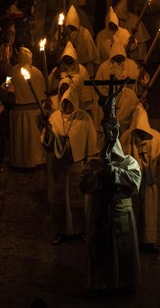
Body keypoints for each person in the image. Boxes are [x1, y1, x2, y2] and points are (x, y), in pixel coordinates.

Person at [80, 139, 142, 297]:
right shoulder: (93, 165)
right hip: (100, 213)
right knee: (101, 251)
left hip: (120, 213)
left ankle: (123, 283)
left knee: (121, 250)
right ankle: (100, 285)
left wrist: (114, 171)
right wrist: (100, 175)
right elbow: (83, 185)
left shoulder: (130, 163)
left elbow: (135, 184)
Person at [42, 88, 98, 244]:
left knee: (78, 202)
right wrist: (47, 134)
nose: (67, 107)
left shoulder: (84, 118)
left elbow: (91, 143)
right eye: (65, 103)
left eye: (70, 104)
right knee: (59, 201)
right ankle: (59, 231)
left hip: (77, 166)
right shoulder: (54, 118)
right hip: (59, 167)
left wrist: (90, 163)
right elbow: (48, 143)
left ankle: (80, 230)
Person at [119, 109, 160, 253]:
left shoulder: (157, 137)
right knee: (134, 211)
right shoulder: (126, 137)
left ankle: (149, 240)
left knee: (149, 212)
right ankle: (133, 239)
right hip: (133, 184)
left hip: (149, 183)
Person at [7, 47, 47, 169]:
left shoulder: (12, 71)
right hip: (33, 111)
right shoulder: (38, 72)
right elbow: (44, 92)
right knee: (32, 140)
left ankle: (21, 161)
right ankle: (35, 160)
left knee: (22, 140)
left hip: (19, 113)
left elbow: (7, 85)